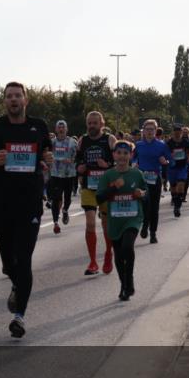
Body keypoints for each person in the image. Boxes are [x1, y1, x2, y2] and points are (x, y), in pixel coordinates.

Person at [0, 82, 52, 338]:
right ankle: (16, 284)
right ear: (4, 101)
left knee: (24, 259)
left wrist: (47, 158)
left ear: (25, 100)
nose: (13, 100)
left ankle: (20, 317)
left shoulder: (38, 126)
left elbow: (45, 152)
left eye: (18, 95)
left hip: (30, 202)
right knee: (9, 263)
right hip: (2, 204)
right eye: (9, 96)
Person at [95, 140, 148, 301]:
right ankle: (123, 284)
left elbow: (147, 194)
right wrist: (114, 188)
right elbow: (99, 198)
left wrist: (142, 194)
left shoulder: (137, 174)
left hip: (133, 217)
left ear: (131, 155)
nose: (122, 156)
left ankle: (129, 279)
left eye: (126, 153)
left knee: (127, 246)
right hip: (115, 220)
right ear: (114, 155)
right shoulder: (108, 175)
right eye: (119, 153)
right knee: (118, 254)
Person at [75, 111, 116, 275]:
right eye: (89, 123)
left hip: (106, 187)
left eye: (95, 123)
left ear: (101, 124)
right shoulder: (82, 141)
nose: (91, 126)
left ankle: (108, 254)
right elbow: (77, 161)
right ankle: (92, 262)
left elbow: (120, 160)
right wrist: (79, 167)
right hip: (88, 187)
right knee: (90, 223)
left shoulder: (110, 140)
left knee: (106, 225)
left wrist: (107, 165)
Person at [132, 120, 171, 244]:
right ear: (143, 131)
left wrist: (165, 162)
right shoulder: (138, 145)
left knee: (154, 207)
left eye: (152, 129)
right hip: (142, 179)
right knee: (144, 205)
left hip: (155, 179)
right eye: (147, 129)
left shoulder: (161, 145)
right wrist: (134, 165)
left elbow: (172, 160)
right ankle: (144, 225)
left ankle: (153, 233)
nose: (149, 132)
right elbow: (132, 159)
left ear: (155, 131)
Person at [48, 120, 77, 234]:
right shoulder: (52, 143)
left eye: (63, 127)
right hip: (56, 174)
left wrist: (72, 160)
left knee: (68, 198)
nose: (61, 129)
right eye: (59, 127)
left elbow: (77, 155)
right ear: (56, 129)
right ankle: (55, 222)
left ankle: (65, 210)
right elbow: (46, 154)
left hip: (69, 174)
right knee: (56, 198)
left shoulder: (72, 142)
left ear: (66, 129)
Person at [164, 123, 189, 217]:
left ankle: (177, 207)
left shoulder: (185, 142)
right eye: (175, 131)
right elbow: (165, 154)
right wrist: (168, 158)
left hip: (182, 167)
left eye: (179, 131)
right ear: (173, 132)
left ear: (181, 132)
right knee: (173, 188)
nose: (177, 133)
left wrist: (188, 158)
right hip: (172, 167)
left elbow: (188, 152)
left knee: (180, 185)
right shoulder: (169, 143)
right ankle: (175, 201)